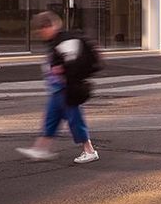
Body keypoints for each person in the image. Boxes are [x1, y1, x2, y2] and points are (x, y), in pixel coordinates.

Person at [17, 11, 100, 164]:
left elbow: (72, 64)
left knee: (75, 120)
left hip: (66, 89)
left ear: (49, 26)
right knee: (51, 119)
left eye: (41, 30)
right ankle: (41, 149)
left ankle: (89, 150)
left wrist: (62, 73)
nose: (40, 33)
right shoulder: (55, 41)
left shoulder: (64, 40)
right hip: (57, 90)